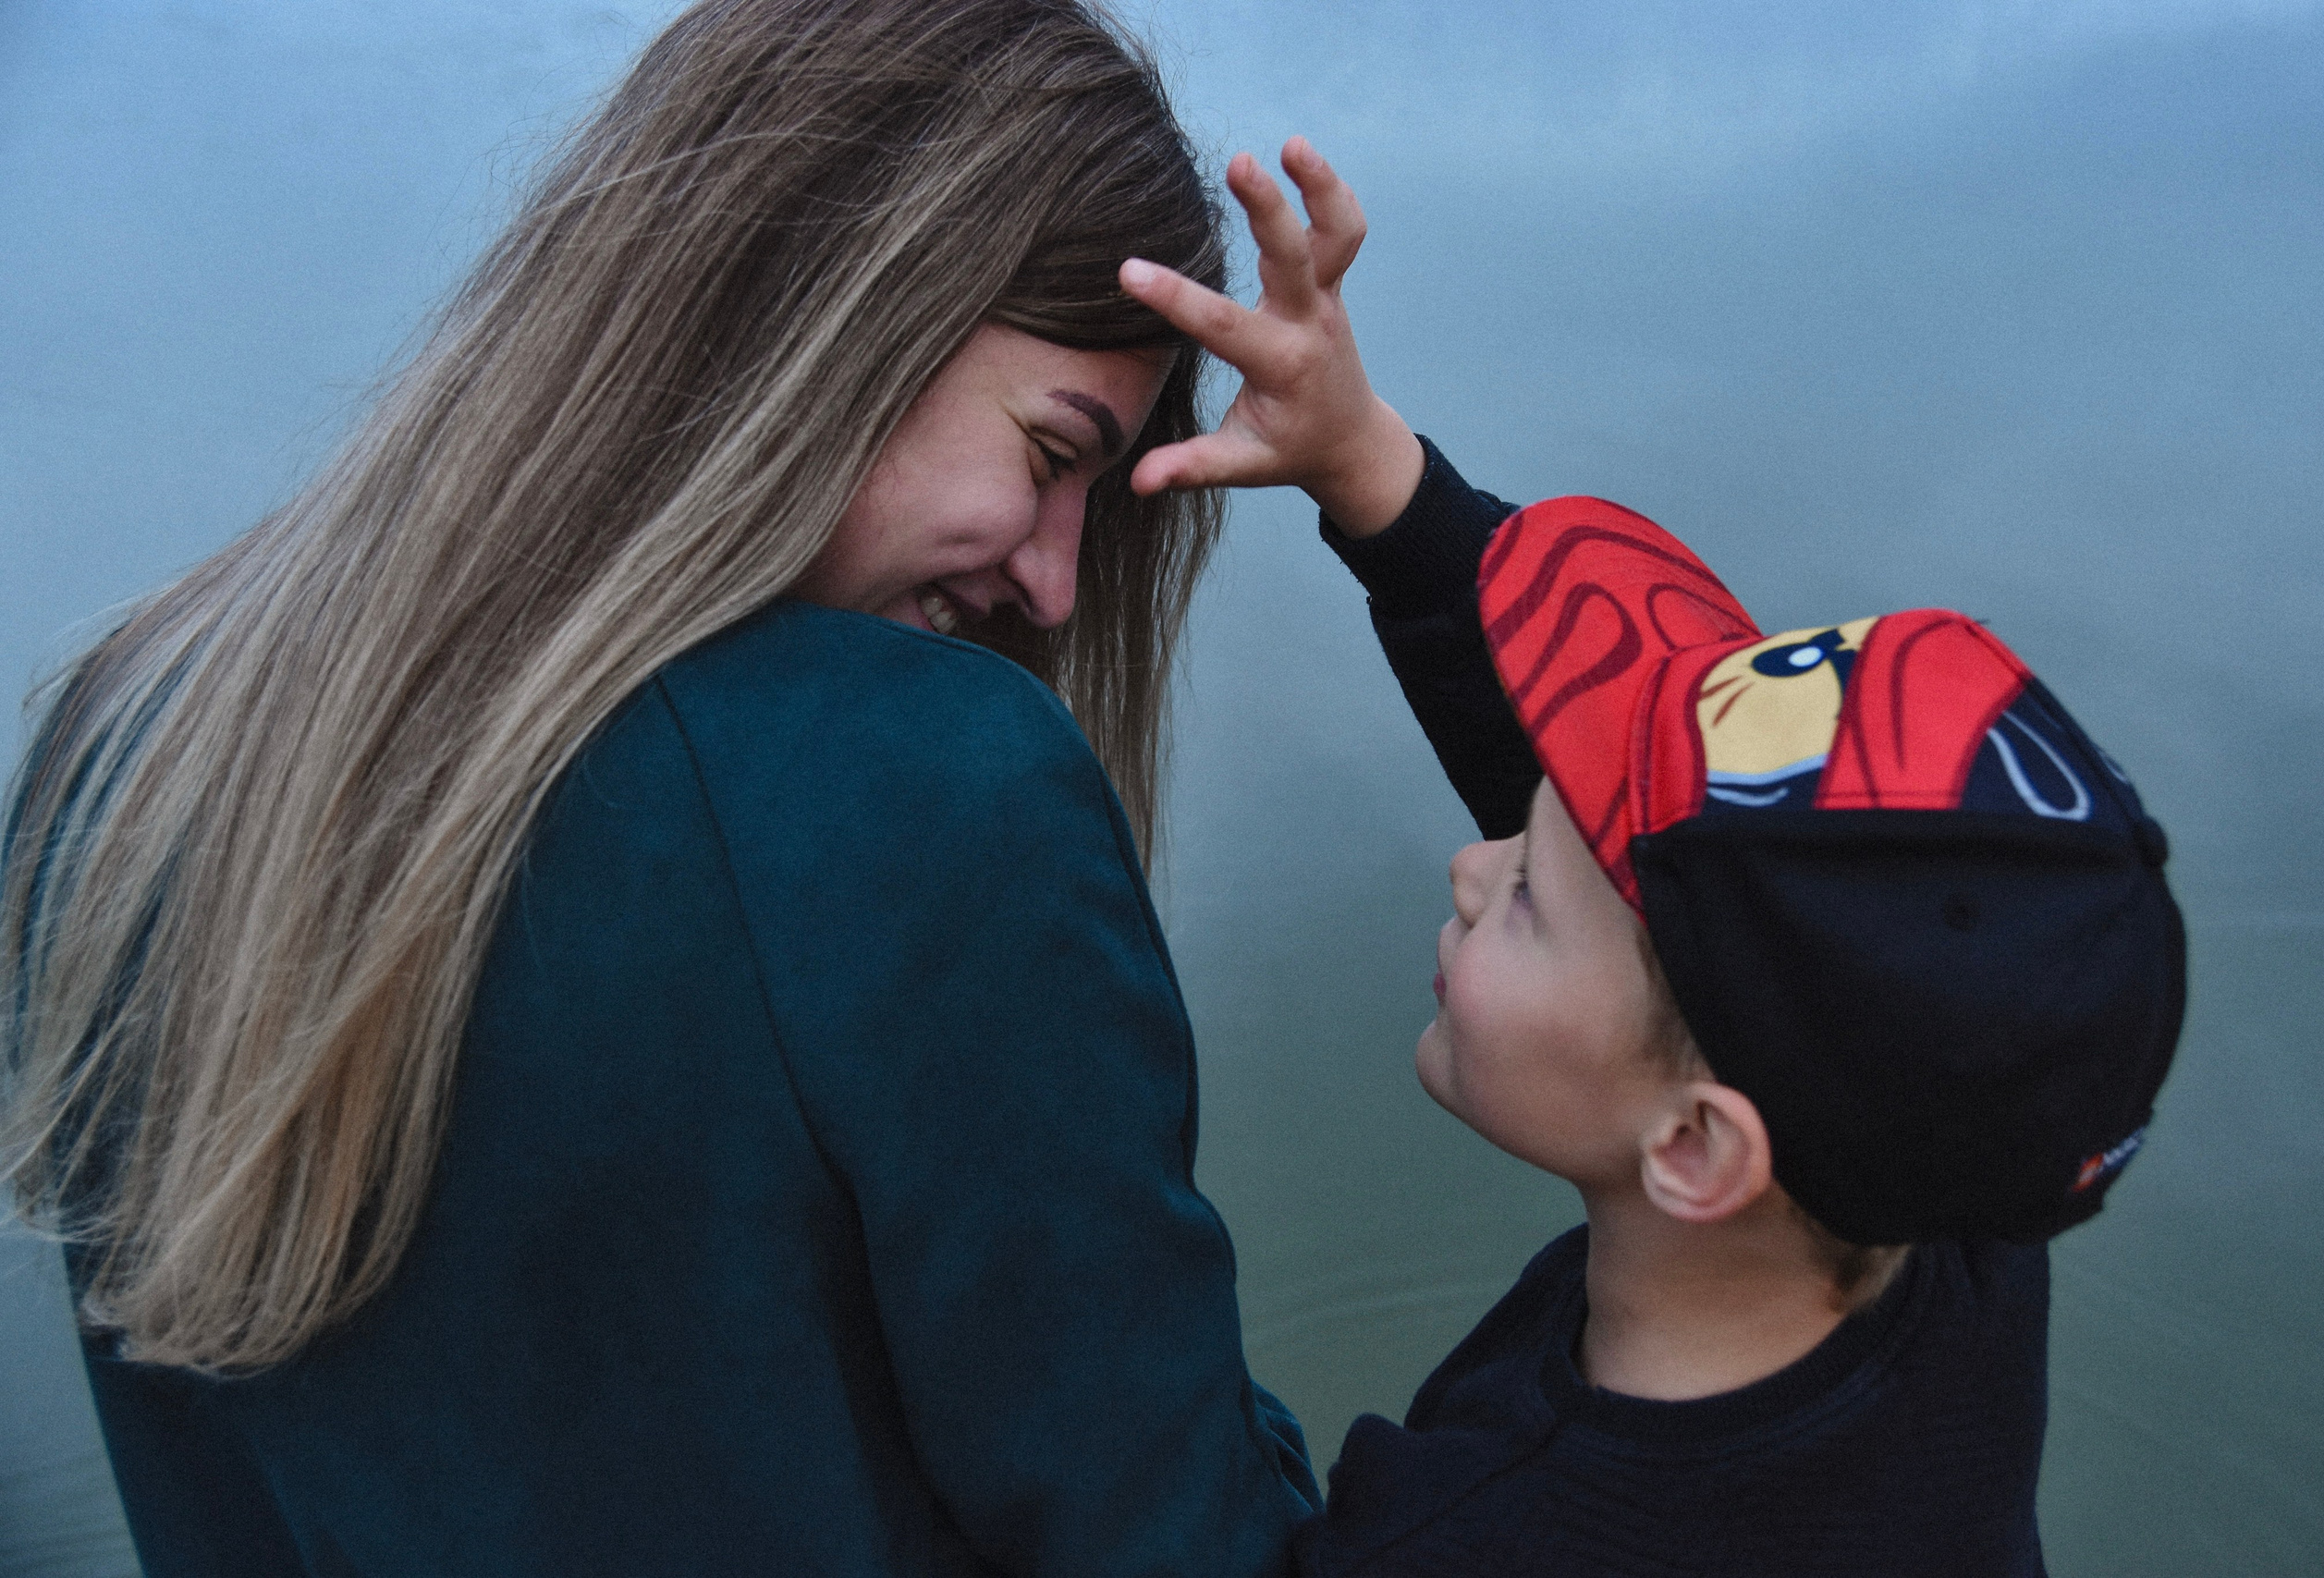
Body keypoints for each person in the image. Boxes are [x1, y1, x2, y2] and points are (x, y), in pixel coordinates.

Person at [0, 2, 1420, 1572]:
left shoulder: (127, 749)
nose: (1060, 584)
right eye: (1049, 453)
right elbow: (1171, 1537)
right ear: (835, 311)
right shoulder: (929, 792)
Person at [1152, 366, 2187, 1569]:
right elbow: (1655, 913)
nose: (1470, 869)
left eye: (1526, 893)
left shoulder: (1467, 1539)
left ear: (1697, 1147)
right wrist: (1372, 471)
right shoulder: (1955, 1191)